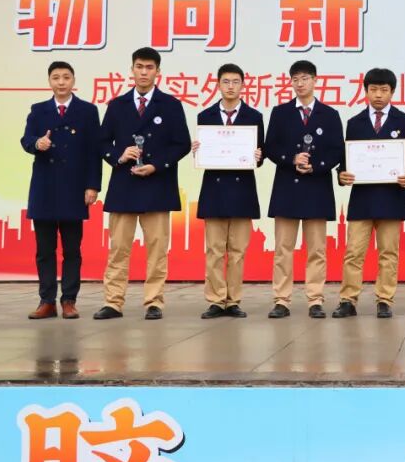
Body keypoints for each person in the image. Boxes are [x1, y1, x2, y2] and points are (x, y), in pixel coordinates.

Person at [94, 47, 191, 320]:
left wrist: (157, 165)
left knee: (157, 250)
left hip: (157, 185)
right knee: (118, 249)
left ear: (158, 71)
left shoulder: (170, 105)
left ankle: (154, 302)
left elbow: (182, 144)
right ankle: (113, 302)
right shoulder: (117, 105)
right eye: (139, 67)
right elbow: (102, 142)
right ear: (132, 70)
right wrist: (119, 155)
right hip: (124, 186)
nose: (144, 72)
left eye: (149, 67)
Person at [333, 68, 405, 318]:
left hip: (392, 198)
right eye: (373, 89)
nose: (378, 95)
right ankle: (348, 300)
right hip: (362, 199)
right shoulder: (355, 122)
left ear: (392, 92)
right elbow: (346, 159)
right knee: (354, 252)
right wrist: (342, 174)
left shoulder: (404, 121)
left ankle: (385, 300)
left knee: (388, 253)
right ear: (365, 91)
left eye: (383, 90)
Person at [20, 61, 102, 320]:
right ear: (49, 81)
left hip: (74, 188)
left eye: (66, 77)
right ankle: (47, 301)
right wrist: (37, 143)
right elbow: (25, 140)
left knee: (71, 250)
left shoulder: (87, 111)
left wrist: (92, 185)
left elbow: (94, 151)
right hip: (45, 187)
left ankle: (69, 300)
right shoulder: (38, 110)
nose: (61, 82)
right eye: (56, 77)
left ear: (73, 80)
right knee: (44, 250)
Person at [263, 59, 344, 319]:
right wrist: (291, 158)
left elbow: (337, 151)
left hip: (317, 188)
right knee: (283, 248)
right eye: (295, 79)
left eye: (305, 78)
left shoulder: (330, 115)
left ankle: (315, 299)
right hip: (287, 187)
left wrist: (316, 166)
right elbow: (270, 147)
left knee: (317, 249)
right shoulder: (280, 113)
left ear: (315, 80)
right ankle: (281, 299)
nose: (300, 83)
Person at [192, 63, 264, 320]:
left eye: (235, 82)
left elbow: (260, 155)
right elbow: (204, 154)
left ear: (243, 85)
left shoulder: (254, 117)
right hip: (215, 190)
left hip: (242, 190)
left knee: (237, 251)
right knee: (214, 250)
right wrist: (198, 151)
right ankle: (215, 300)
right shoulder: (205, 116)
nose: (230, 86)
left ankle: (233, 300)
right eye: (226, 82)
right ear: (218, 85)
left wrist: (259, 155)